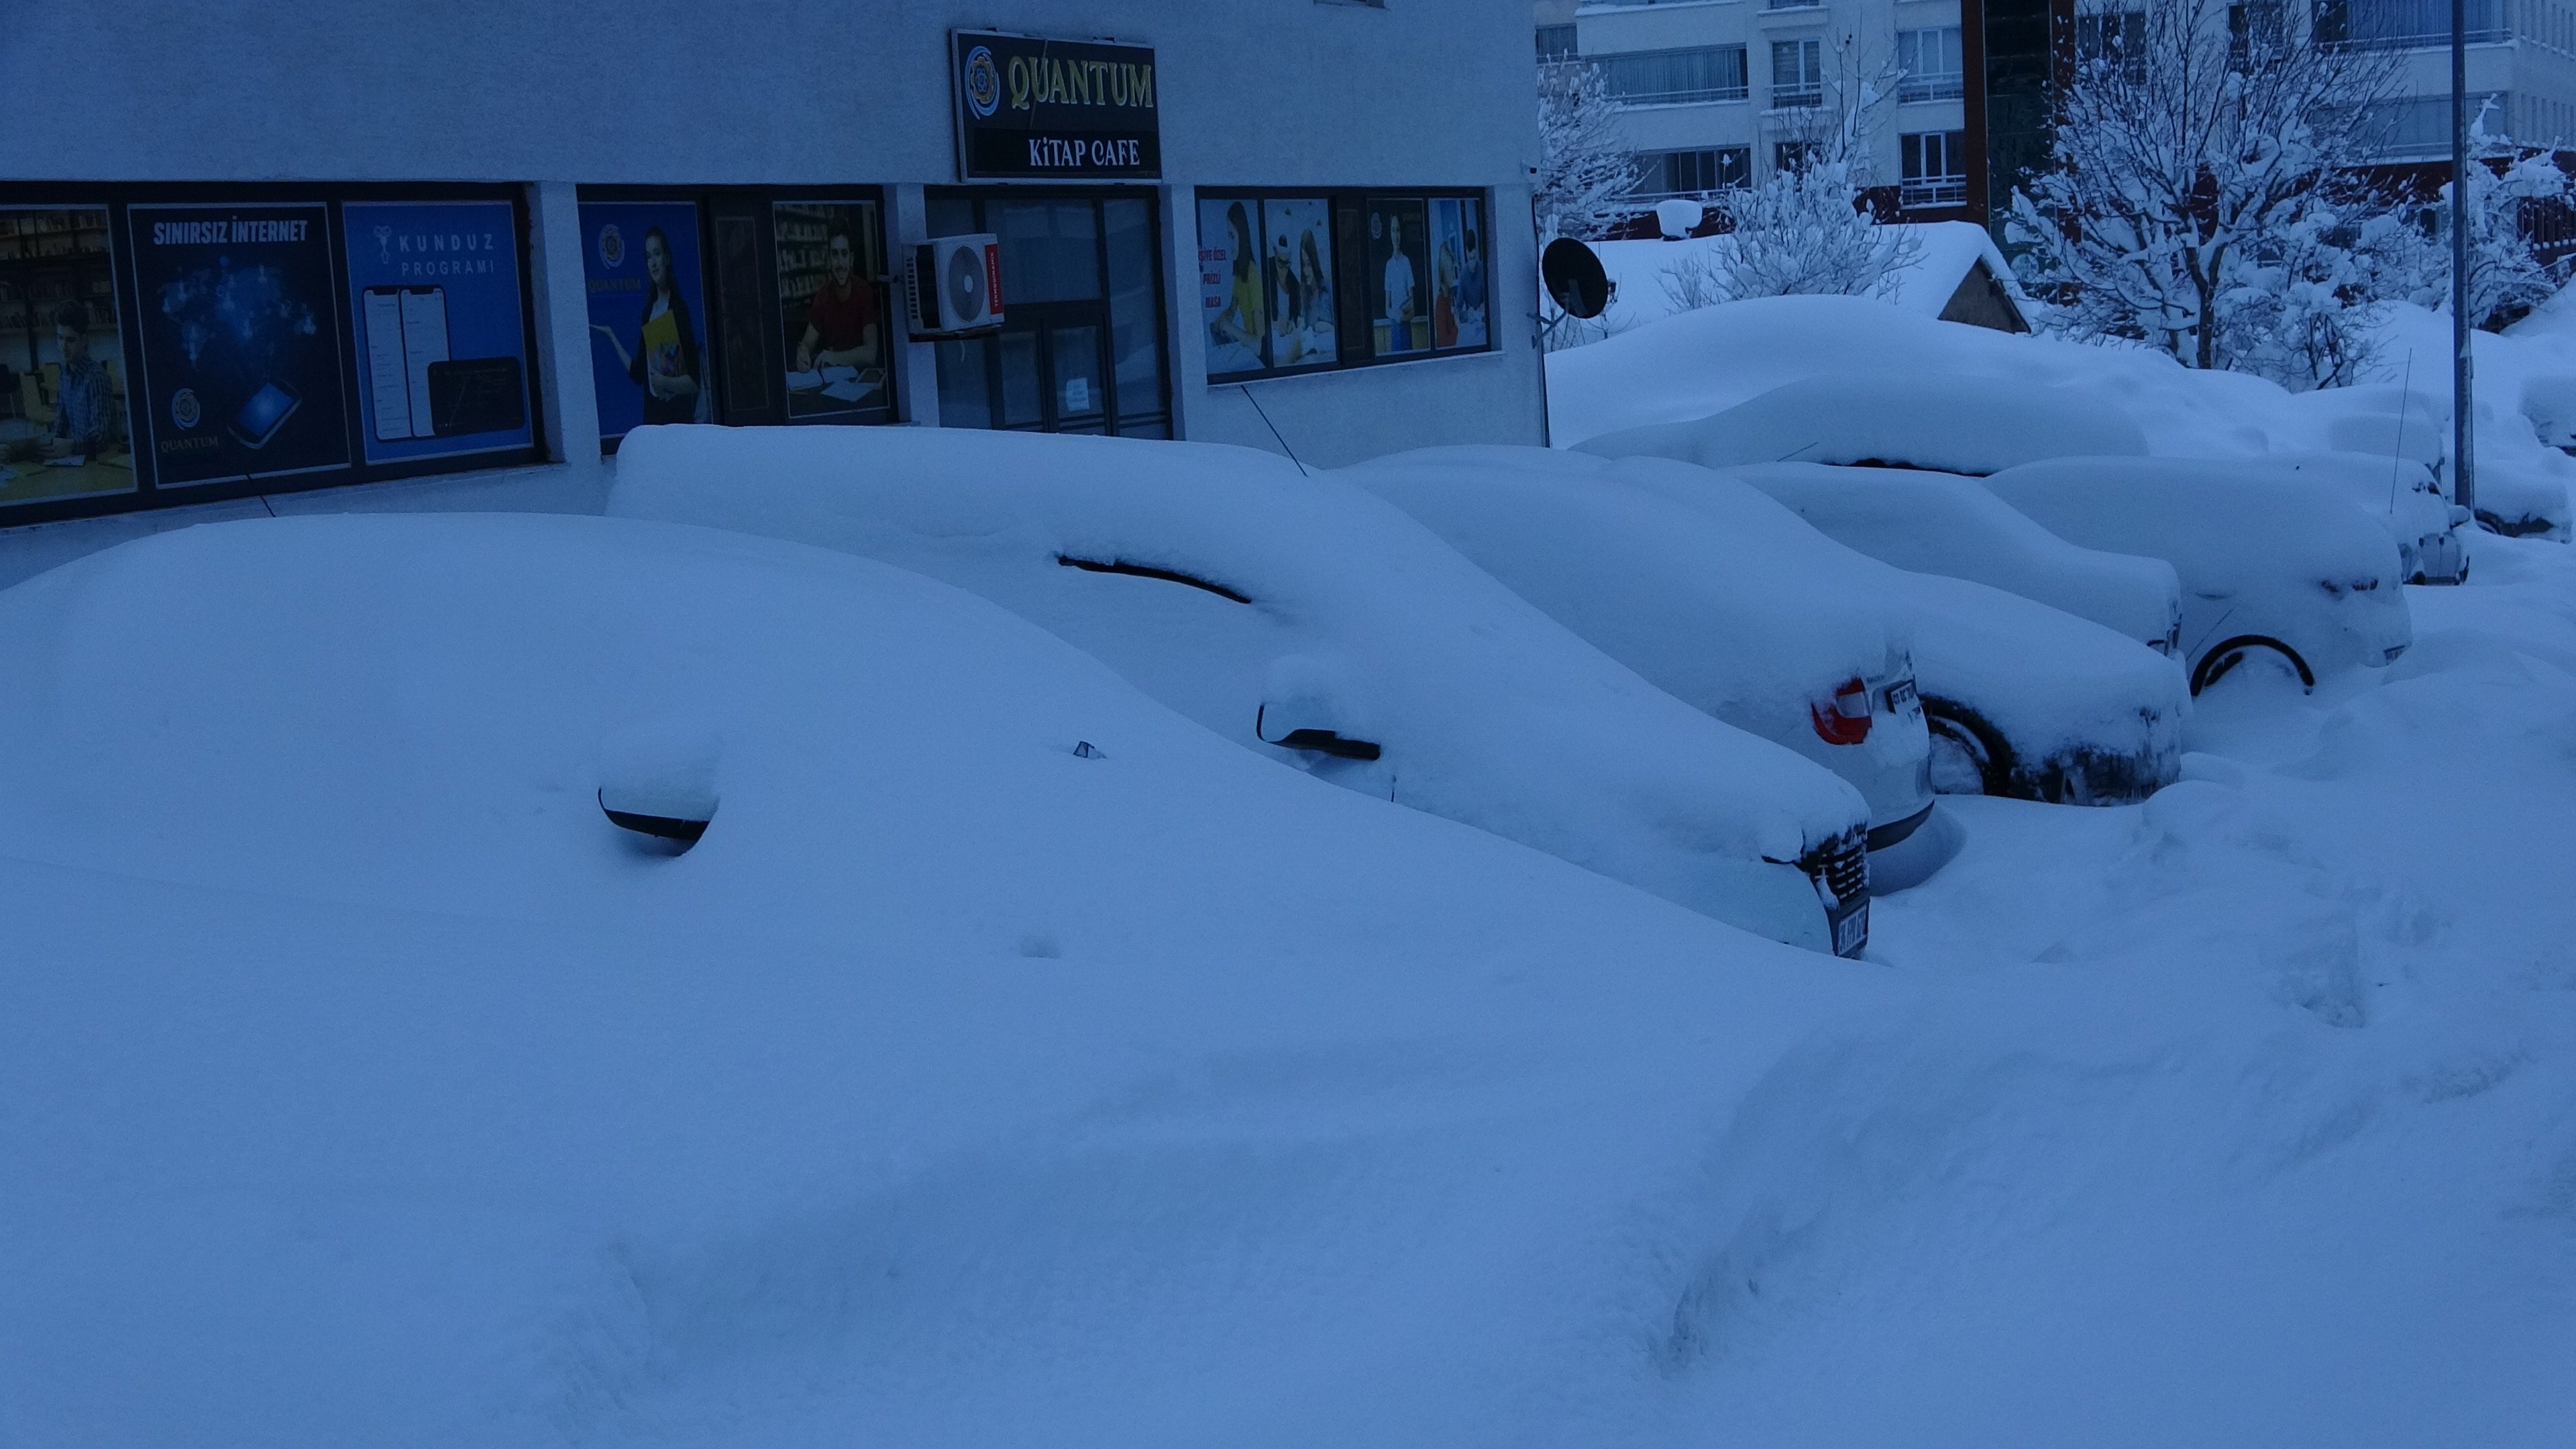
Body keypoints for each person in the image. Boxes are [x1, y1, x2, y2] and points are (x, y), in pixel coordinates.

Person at [590, 226, 702, 425]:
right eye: (649, 257)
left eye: (657, 254)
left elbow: (693, 381)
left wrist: (664, 382)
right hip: (653, 416)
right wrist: (611, 336)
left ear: (667, 258)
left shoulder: (678, 309)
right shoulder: (648, 311)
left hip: (676, 420)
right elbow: (638, 374)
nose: (654, 263)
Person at [794, 226, 879, 375]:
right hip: (832, 378)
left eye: (844, 254)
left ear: (851, 259)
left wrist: (835, 357)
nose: (840, 263)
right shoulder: (823, 296)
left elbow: (871, 354)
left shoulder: (864, 292)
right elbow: (808, 342)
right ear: (829, 260)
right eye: (835, 255)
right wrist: (803, 353)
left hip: (861, 378)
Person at [39, 302, 119, 460]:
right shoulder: (65, 373)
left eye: (70, 340)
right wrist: (48, 444)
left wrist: (71, 446)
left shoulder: (96, 378)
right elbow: (61, 424)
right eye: (60, 338)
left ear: (84, 340)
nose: (63, 347)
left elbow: (100, 438)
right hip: (77, 459)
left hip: (98, 462)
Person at [1210, 202, 1264, 363]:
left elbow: (1260, 345)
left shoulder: (1252, 276)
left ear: (1242, 235)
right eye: (1228, 236)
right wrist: (1220, 321)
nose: (1229, 244)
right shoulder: (1241, 276)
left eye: (1232, 236)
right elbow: (1232, 309)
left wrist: (1230, 328)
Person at [1380, 213, 1417, 354]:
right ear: (1390, 233)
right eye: (1393, 230)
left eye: (1398, 230)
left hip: (1406, 325)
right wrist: (1396, 316)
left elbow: (1413, 307)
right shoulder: (1388, 265)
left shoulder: (1406, 262)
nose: (1396, 235)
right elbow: (1387, 308)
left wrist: (1404, 317)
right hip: (1394, 327)